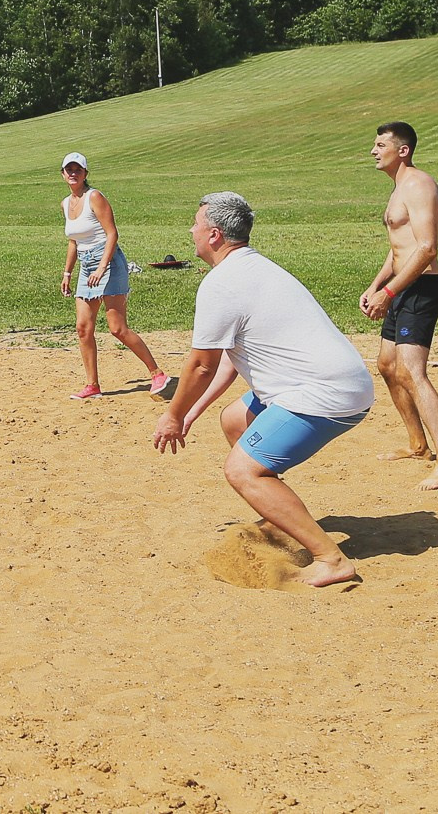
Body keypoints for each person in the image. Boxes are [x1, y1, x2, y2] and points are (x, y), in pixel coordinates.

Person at [153, 192, 377, 588]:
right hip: (331, 381)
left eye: (196, 223)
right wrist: (190, 413)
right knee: (234, 420)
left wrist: (172, 415)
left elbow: (201, 365)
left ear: (215, 235)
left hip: (324, 392)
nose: (191, 229)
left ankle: (331, 559)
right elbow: (226, 362)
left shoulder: (222, 284)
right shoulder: (252, 267)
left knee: (242, 471)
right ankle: (281, 515)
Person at [359, 122, 438, 490]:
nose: (373, 151)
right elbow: (398, 249)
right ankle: (418, 445)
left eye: (380, 145)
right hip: (403, 286)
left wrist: (387, 295)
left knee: (411, 371)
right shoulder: (398, 188)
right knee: (388, 365)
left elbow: (426, 249)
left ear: (402, 150)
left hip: (422, 288)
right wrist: (376, 285)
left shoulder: (419, 184)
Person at [58, 152, 168, 400]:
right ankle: (92, 385)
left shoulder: (94, 197)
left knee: (117, 328)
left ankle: (157, 373)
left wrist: (102, 267)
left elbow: (112, 234)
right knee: (83, 328)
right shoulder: (65, 204)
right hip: (86, 266)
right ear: (63, 174)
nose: (73, 173)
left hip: (108, 263)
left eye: (78, 169)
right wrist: (67, 272)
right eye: (68, 169)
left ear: (86, 173)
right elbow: (73, 241)